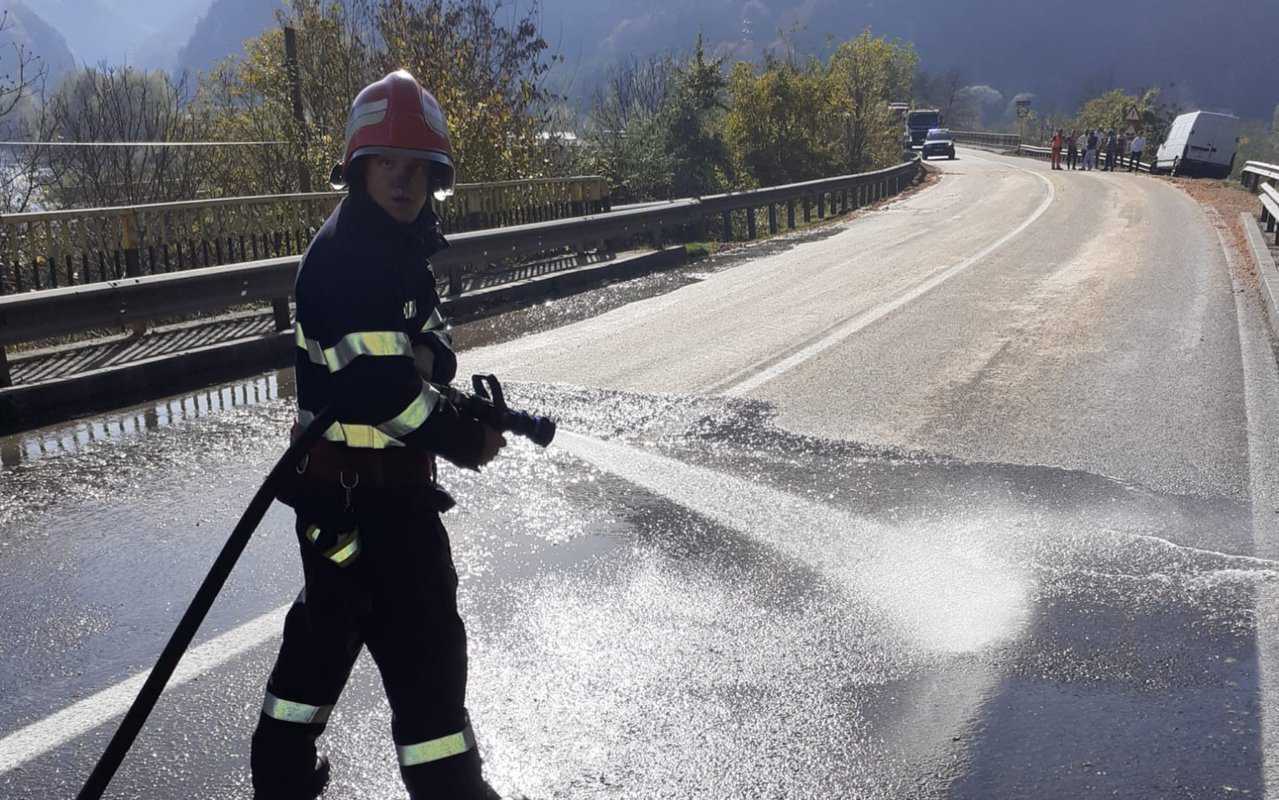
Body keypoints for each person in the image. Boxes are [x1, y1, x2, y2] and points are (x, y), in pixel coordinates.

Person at [249, 69, 516, 800]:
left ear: (434, 177)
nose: (402, 181)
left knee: (407, 657)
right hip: (350, 506)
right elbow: (380, 390)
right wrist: (464, 437)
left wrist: (431, 368)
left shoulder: (401, 250)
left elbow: (432, 343)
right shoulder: (347, 259)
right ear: (358, 168)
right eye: (386, 164)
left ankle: (432, 789)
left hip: (387, 499)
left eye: (416, 168)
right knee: (345, 656)